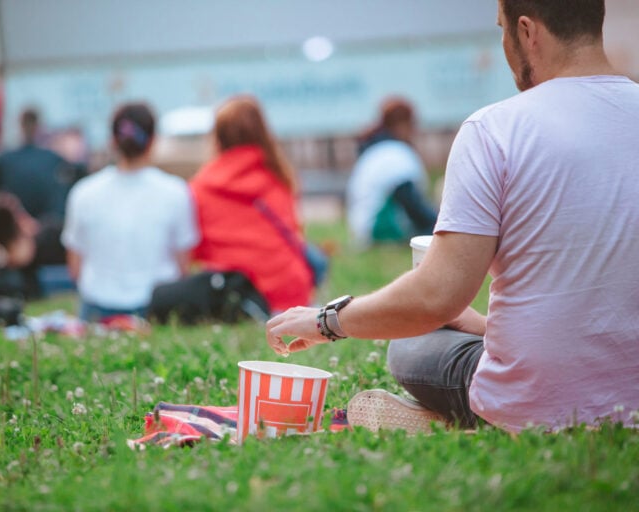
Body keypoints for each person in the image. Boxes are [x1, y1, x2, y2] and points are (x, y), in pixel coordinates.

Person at [266, 0, 639, 434]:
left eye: (501, 30)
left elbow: (435, 297)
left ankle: (453, 418)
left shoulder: (493, 131)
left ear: (526, 32)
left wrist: (325, 320)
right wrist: (481, 326)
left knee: (409, 347)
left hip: (535, 405)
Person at [61, 102, 198, 321]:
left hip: (95, 310)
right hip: (156, 311)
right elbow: (183, 266)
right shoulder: (177, 192)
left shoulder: (83, 192)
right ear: (153, 141)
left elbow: (75, 267)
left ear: (112, 140)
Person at [190, 95, 313, 313]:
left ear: (218, 136)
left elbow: (197, 249)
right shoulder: (278, 176)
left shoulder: (201, 185)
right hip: (291, 291)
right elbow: (295, 233)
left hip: (238, 295)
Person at [346, 97, 438, 247]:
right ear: (401, 125)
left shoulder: (377, 150)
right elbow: (412, 204)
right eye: (412, 124)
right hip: (379, 231)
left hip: (362, 230)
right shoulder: (396, 154)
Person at [0, 108, 82, 223]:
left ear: (20, 125)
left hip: (20, 228)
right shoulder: (52, 159)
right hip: (41, 227)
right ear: (38, 126)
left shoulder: (4, 160)